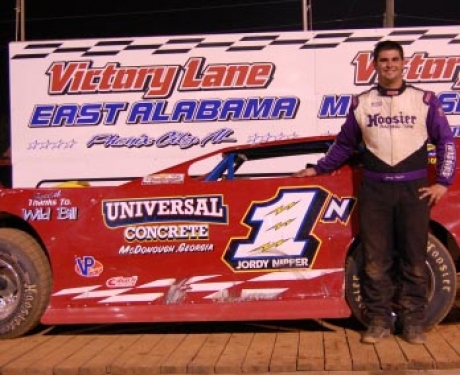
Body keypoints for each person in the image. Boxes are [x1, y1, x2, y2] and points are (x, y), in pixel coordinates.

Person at [294, 40, 456, 345]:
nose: (390, 65)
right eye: (384, 60)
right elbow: (344, 145)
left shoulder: (425, 100)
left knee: (414, 258)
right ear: (375, 65)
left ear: (403, 63)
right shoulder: (362, 103)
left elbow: (446, 142)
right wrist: (318, 169)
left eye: (395, 59)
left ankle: (413, 323)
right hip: (375, 189)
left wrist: (443, 182)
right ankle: (379, 321)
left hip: (414, 190)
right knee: (374, 259)